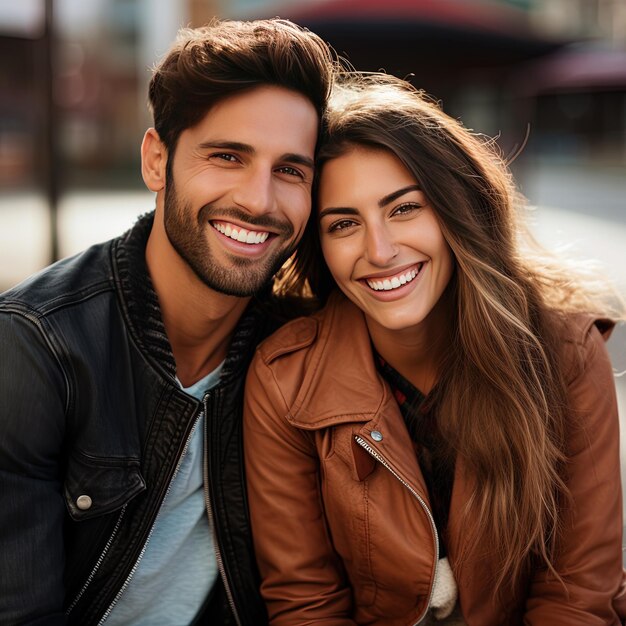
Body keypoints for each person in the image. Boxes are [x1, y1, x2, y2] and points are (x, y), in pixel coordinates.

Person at [243, 73, 626, 625]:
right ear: (318, 246)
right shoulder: (283, 380)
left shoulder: (565, 355)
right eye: (344, 223)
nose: (380, 250)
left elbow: (577, 599)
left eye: (404, 209)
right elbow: (307, 605)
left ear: (456, 209)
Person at [0, 18, 336, 625]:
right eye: (228, 156)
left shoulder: (300, 349)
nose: (259, 200)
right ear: (157, 161)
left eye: (290, 170)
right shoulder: (35, 349)